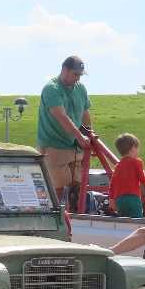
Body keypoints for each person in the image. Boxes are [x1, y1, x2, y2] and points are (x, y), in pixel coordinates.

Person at [38, 56, 93, 206]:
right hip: (54, 146)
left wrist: (90, 134)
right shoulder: (52, 89)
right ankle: (61, 219)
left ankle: (75, 219)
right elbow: (61, 117)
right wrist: (80, 136)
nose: (77, 78)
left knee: (77, 188)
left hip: (74, 147)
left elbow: (85, 113)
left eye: (80, 75)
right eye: (75, 74)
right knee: (59, 189)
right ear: (64, 70)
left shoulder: (80, 89)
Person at [108, 133, 145, 218]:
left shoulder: (118, 166)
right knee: (136, 222)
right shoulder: (137, 162)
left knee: (124, 221)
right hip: (133, 199)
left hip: (119, 200)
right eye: (137, 148)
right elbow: (144, 181)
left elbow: (112, 185)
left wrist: (111, 199)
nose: (138, 151)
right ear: (133, 148)